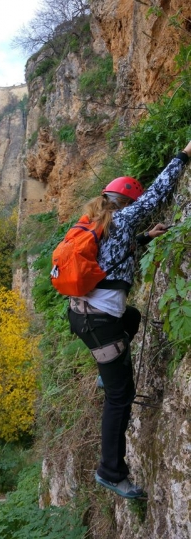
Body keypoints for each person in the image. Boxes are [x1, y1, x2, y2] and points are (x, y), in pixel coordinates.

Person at [68, 142, 191, 499]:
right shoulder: (121, 218)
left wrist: (144, 237)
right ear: (126, 204)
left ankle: (106, 376)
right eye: (135, 208)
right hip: (100, 323)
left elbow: (110, 260)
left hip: (81, 316)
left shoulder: (95, 223)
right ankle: (110, 472)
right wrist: (182, 156)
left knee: (132, 316)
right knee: (121, 398)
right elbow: (156, 194)